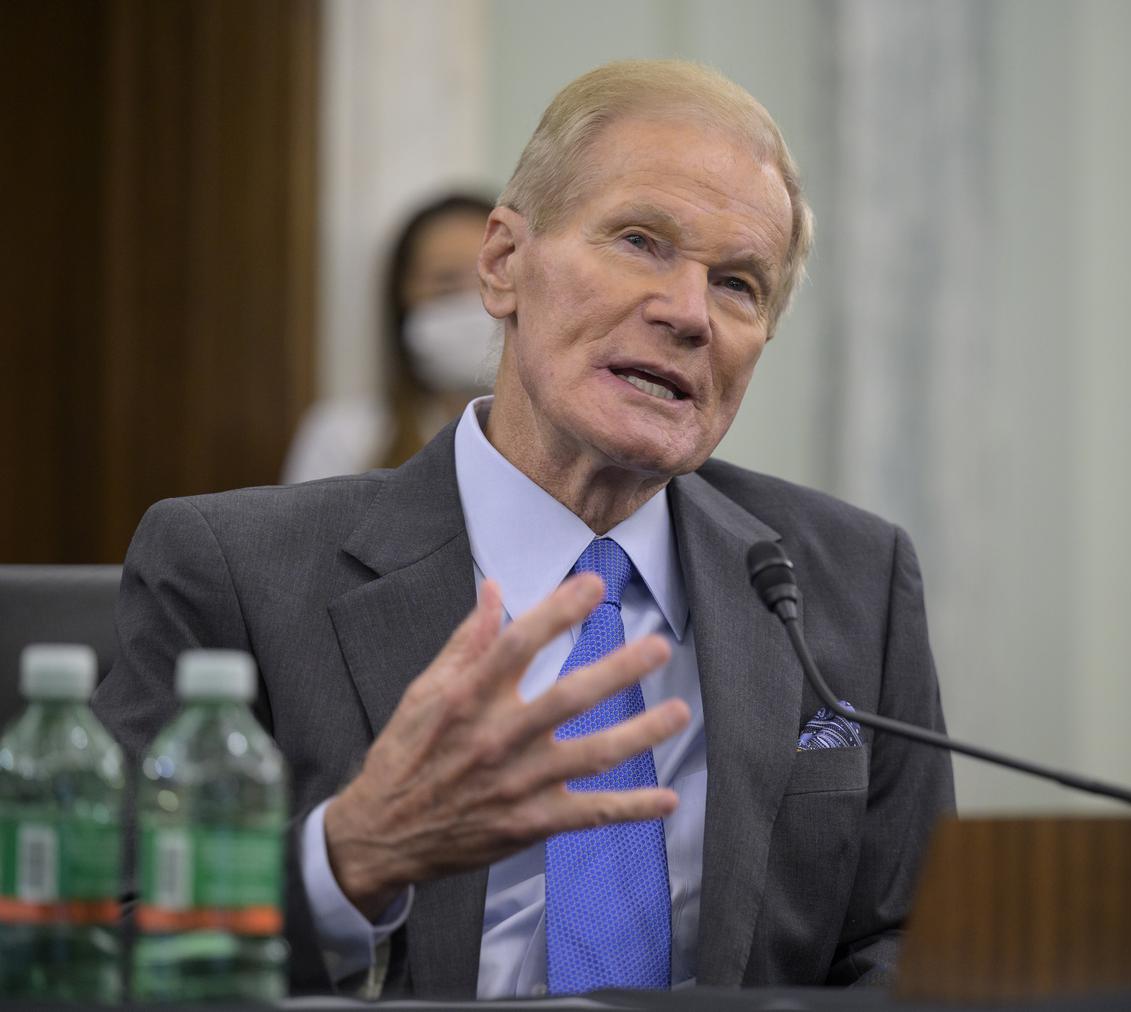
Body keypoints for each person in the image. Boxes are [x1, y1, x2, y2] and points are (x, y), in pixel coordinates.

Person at [93, 60, 954, 999]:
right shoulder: (233, 573)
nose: (688, 313)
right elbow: (96, 953)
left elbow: (911, 944)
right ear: (503, 264)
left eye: (739, 285)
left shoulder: (849, 580)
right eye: (640, 240)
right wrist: (348, 860)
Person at [281, 192, 496, 483]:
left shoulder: (568, 444)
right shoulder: (346, 439)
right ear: (403, 298)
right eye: (446, 284)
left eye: (493, 279)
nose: (475, 304)